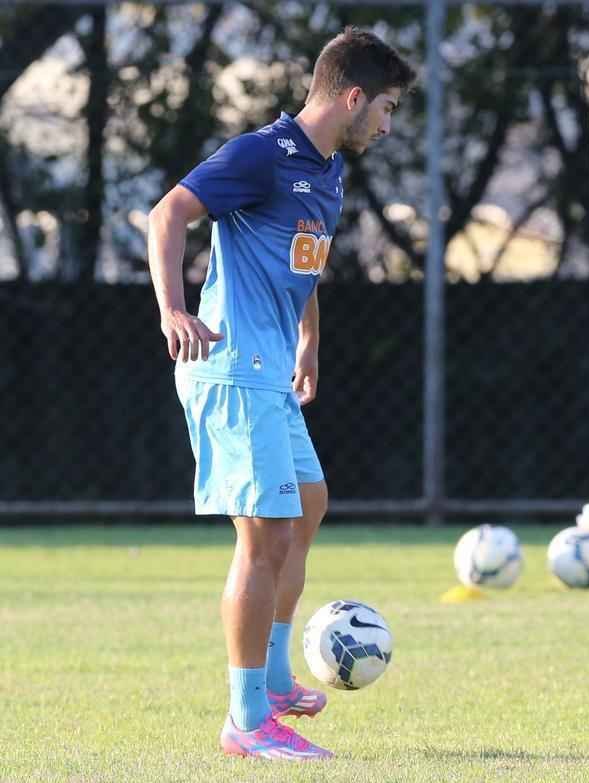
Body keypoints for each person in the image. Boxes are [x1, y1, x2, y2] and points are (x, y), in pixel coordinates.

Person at [147, 27, 415, 761]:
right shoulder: (262, 154)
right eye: (387, 108)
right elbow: (167, 213)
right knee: (263, 537)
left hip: (270, 370)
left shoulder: (327, 170)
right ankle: (246, 720)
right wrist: (173, 309)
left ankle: (269, 680)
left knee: (309, 503)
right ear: (353, 97)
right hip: (231, 367)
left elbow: (302, 264)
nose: (388, 126)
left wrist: (309, 339)